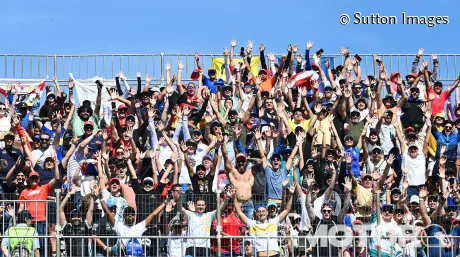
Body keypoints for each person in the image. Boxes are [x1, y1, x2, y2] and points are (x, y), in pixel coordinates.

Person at [234, 183, 295, 257]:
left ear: (266, 212)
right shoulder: (253, 224)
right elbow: (240, 213)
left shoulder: (273, 222)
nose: (261, 213)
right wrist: (234, 196)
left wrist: (291, 195)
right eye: (259, 211)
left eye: (263, 211)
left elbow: (287, 210)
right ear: (256, 214)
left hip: (274, 254)